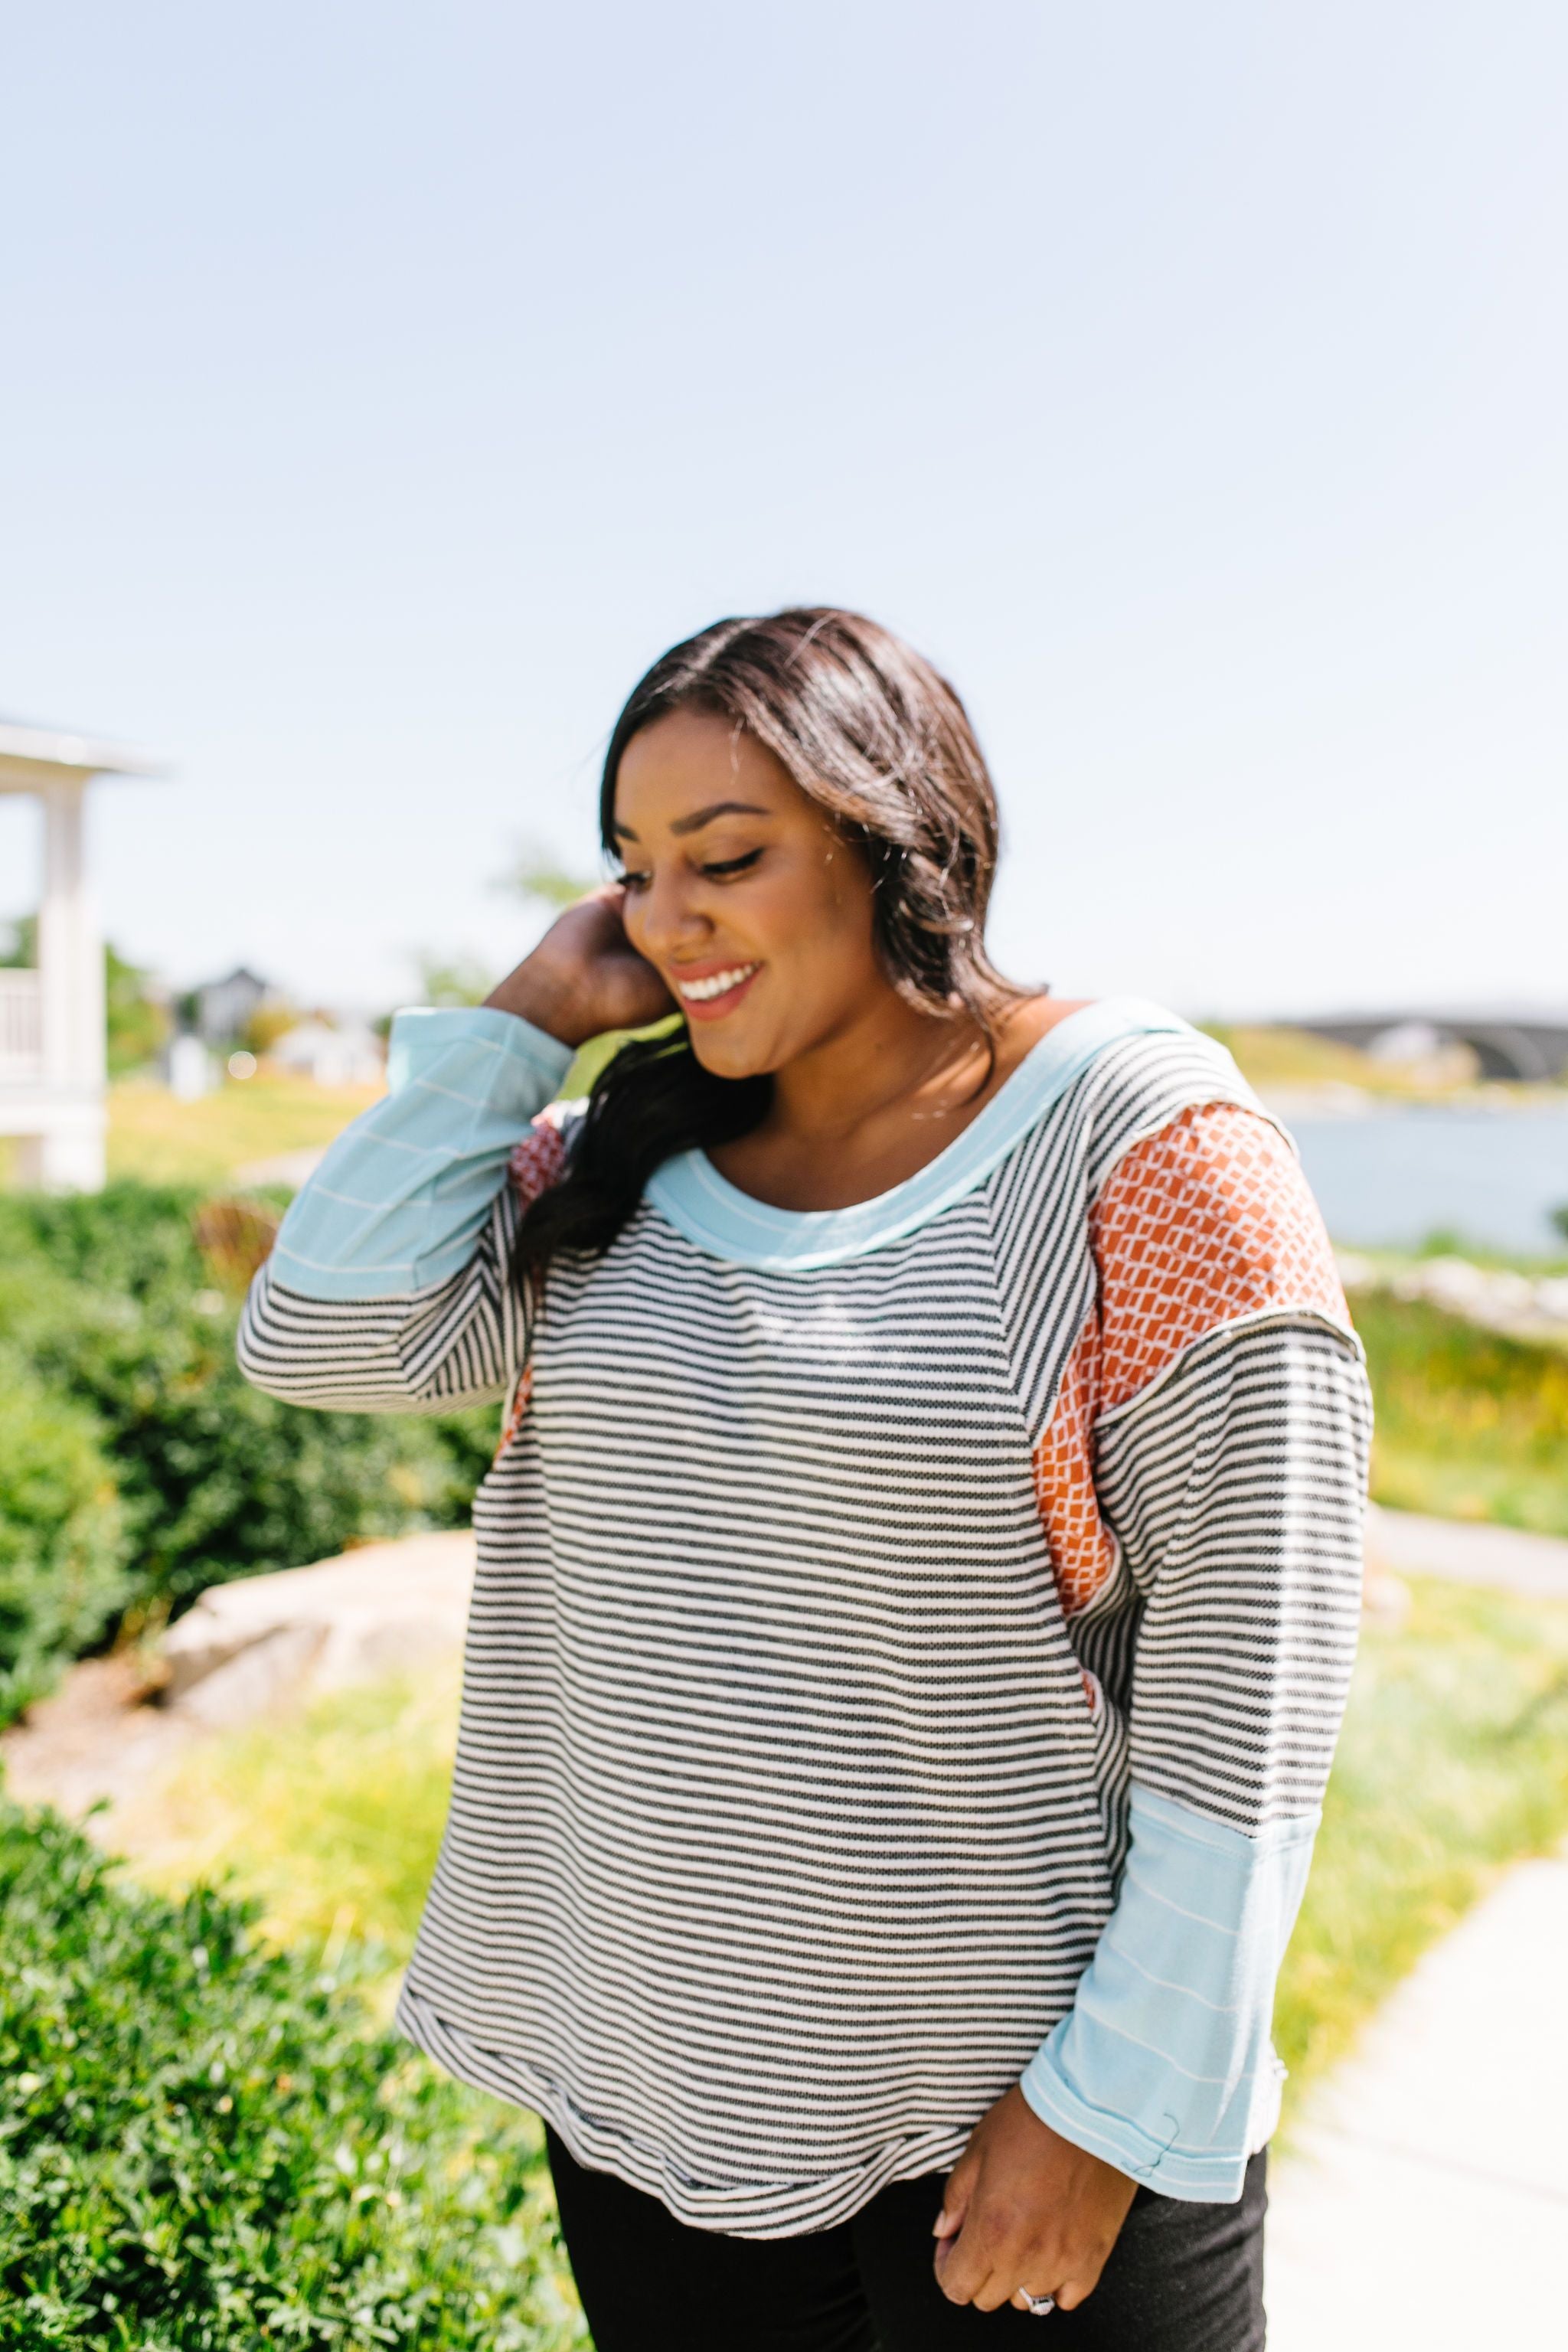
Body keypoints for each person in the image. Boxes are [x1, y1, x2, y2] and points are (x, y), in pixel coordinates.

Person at [238, 609, 1371, 2349]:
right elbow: (320, 1336)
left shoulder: (1142, 1149)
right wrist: (533, 1013)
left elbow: (1253, 1678)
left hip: (1018, 2125)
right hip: (642, 2091)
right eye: (630, 867)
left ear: (892, 834)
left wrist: (1108, 2110)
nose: (664, 919)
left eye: (728, 857)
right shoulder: (621, 1154)